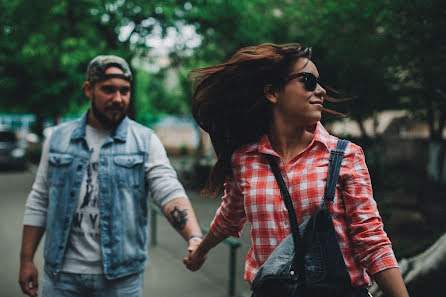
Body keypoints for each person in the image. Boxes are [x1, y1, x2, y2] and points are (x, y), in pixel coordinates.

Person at [183, 43, 410, 297]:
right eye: (308, 81)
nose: (321, 91)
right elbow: (228, 218)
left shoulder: (344, 155)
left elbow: (371, 241)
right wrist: (200, 251)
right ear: (272, 92)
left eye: (319, 82)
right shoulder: (244, 160)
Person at [19, 55, 204, 297]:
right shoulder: (57, 139)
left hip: (121, 279)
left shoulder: (145, 141)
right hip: (62, 275)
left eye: (125, 91)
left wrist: (194, 236)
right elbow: (40, 199)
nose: (118, 99)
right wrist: (26, 260)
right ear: (89, 89)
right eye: (108, 90)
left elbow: (168, 190)